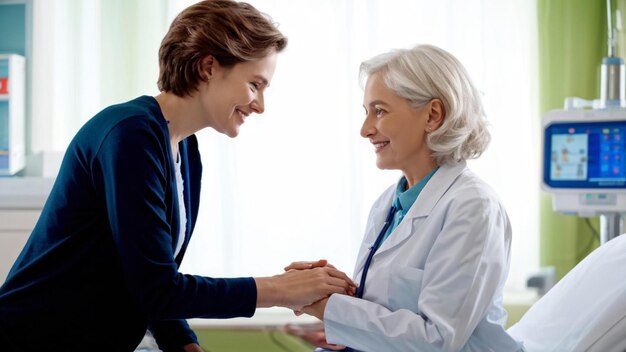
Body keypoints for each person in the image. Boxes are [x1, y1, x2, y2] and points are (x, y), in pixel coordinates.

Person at [0, 1, 355, 351]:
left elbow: (148, 276)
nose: (260, 104)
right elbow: (158, 288)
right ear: (208, 67)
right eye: (254, 85)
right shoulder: (129, 136)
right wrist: (281, 289)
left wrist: (184, 343)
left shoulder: (185, 151)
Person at [286, 44, 525, 351]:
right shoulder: (388, 204)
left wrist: (326, 306)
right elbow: (388, 312)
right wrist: (334, 290)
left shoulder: (473, 207)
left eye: (380, 111)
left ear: (432, 115)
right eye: (366, 112)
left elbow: (436, 341)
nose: (365, 129)